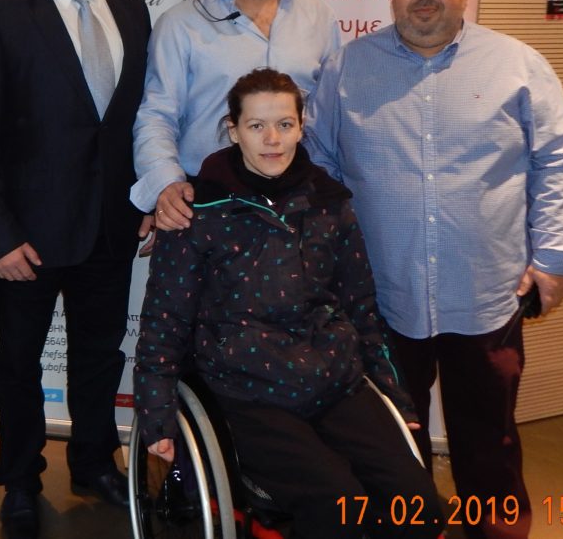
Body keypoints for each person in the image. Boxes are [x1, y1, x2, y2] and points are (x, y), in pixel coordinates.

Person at [303, 0, 563, 539]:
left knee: (488, 439)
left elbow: (556, 161)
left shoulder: (518, 65)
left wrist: (555, 255)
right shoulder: (348, 68)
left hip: (486, 292)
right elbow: (319, 167)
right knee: (385, 439)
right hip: (380, 297)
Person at [134, 68, 443, 539]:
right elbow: (164, 321)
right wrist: (156, 415)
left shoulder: (329, 202)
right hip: (249, 390)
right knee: (339, 507)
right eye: (256, 126)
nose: (272, 140)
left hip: (333, 379)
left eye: (284, 124)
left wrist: (395, 396)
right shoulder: (198, 213)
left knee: (418, 504)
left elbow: (361, 306)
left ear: (301, 127)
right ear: (234, 130)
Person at [0, 0, 151, 538]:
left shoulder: (131, 12)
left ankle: (94, 462)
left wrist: (148, 198)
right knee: (18, 364)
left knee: (101, 357)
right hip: (27, 238)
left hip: (110, 228)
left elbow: (135, 122)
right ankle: (19, 480)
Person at [131, 0, 340, 232]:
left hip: (299, 208)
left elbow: (328, 121)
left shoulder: (319, 18)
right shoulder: (181, 24)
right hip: (207, 206)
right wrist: (166, 186)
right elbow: (157, 115)